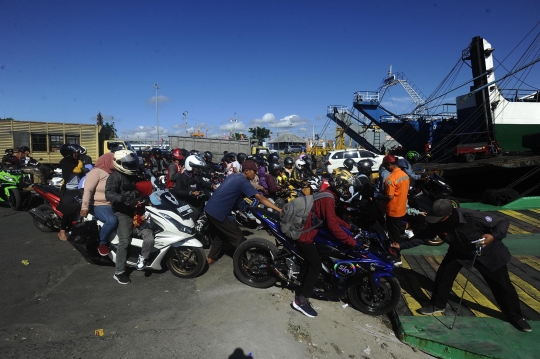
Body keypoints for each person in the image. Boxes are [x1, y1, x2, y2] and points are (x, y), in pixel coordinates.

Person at [391, 199, 532, 332]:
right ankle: (437, 305)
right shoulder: (437, 222)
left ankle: (516, 316)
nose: (435, 221)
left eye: (438, 218)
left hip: (486, 253)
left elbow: (502, 222)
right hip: (458, 250)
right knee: (443, 276)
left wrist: (493, 236)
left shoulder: (472, 217)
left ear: (449, 214)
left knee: (502, 285)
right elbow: (423, 237)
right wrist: (401, 245)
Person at [292, 169, 358, 318]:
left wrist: (349, 227)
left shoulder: (328, 194)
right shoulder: (328, 198)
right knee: (315, 265)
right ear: (340, 186)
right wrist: (351, 242)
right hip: (304, 234)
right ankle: (301, 300)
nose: (347, 190)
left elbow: (332, 218)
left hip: (308, 230)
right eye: (346, 187)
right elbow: (333, 226)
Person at [204, 160, 281, 265]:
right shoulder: (243, 182)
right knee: (238, 237)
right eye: (254, 171)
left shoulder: (234, 176)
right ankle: (245, 264)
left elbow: (235, 196)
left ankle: (211, 258)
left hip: (210, 209)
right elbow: (260, 198)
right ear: (246, 171)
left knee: (220, 235)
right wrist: (278, 209)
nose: (255, 173)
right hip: (219, 212)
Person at [105, 150, 141, 285]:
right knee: (124, 240)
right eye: (129, 164)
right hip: (123, 212)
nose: (132, 167)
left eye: (133, 164)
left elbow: (138, 188)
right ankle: (119, 272)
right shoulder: (115, 176)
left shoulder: (133, 174)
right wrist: (124, 198)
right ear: (119, 163)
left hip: (136, 208)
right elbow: (109, 195)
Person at [80, 152, 117, 256]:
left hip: (112, 203)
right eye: (114, 160)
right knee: (111, 221)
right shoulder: (96, 172)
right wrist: (84, 207)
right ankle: (102, 243)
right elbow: (88, 190)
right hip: (98, 204)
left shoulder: (112, 173)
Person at [379, 154, 409, 264]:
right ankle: (396, 254)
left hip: (393, 210)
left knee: (393, 235)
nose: (386, 168)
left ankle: (396, 257)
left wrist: (380, 196)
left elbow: (390, 196)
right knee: (397, 233)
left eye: (386, 166)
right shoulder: (404, 175)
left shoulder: (390, 179)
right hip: (402, 208)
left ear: (390, 164)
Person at [172, 154, 214, 222]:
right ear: (190, 166)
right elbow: (178, 191)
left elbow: (203, 183)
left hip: (194, 200)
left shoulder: (196, 176)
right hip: (184, 202)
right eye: (197, 168)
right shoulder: (181, 177)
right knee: (195, 213)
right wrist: (191, 193)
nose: (199, 170)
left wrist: (212, 185)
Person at [57, 144, 85, 241]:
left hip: (78, 189)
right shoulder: (66, 162)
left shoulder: (75, 161)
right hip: (69, 190)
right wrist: (80, 162)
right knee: (68, 210)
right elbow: (77, 170)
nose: (77, 154)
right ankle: (62, 231)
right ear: (69, 153)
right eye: (75, 152)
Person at [133, 180, 154, 270]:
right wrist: (140, 219)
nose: (153, 190)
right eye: (151, 188)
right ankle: (142, 258)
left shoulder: (151, 198)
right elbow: (134, 219)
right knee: (149, 239)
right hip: (142, 227)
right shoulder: (137, 203)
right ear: (145, 190)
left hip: (153, 223)